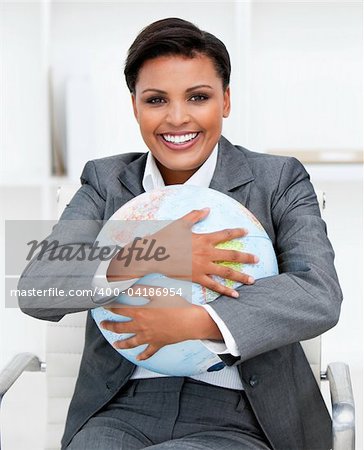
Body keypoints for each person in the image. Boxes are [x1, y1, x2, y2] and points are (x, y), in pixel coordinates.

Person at [18, 17, 343, 450]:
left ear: (225, 101)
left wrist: (198, 321)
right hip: (120, 410)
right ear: (134, 106)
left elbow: (318, 293)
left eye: (198, 97)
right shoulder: (105, 180)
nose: (177, 118)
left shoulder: (278, 178)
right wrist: (153, 254)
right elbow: (36, 290)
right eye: (156, 99)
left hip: (245, 414)